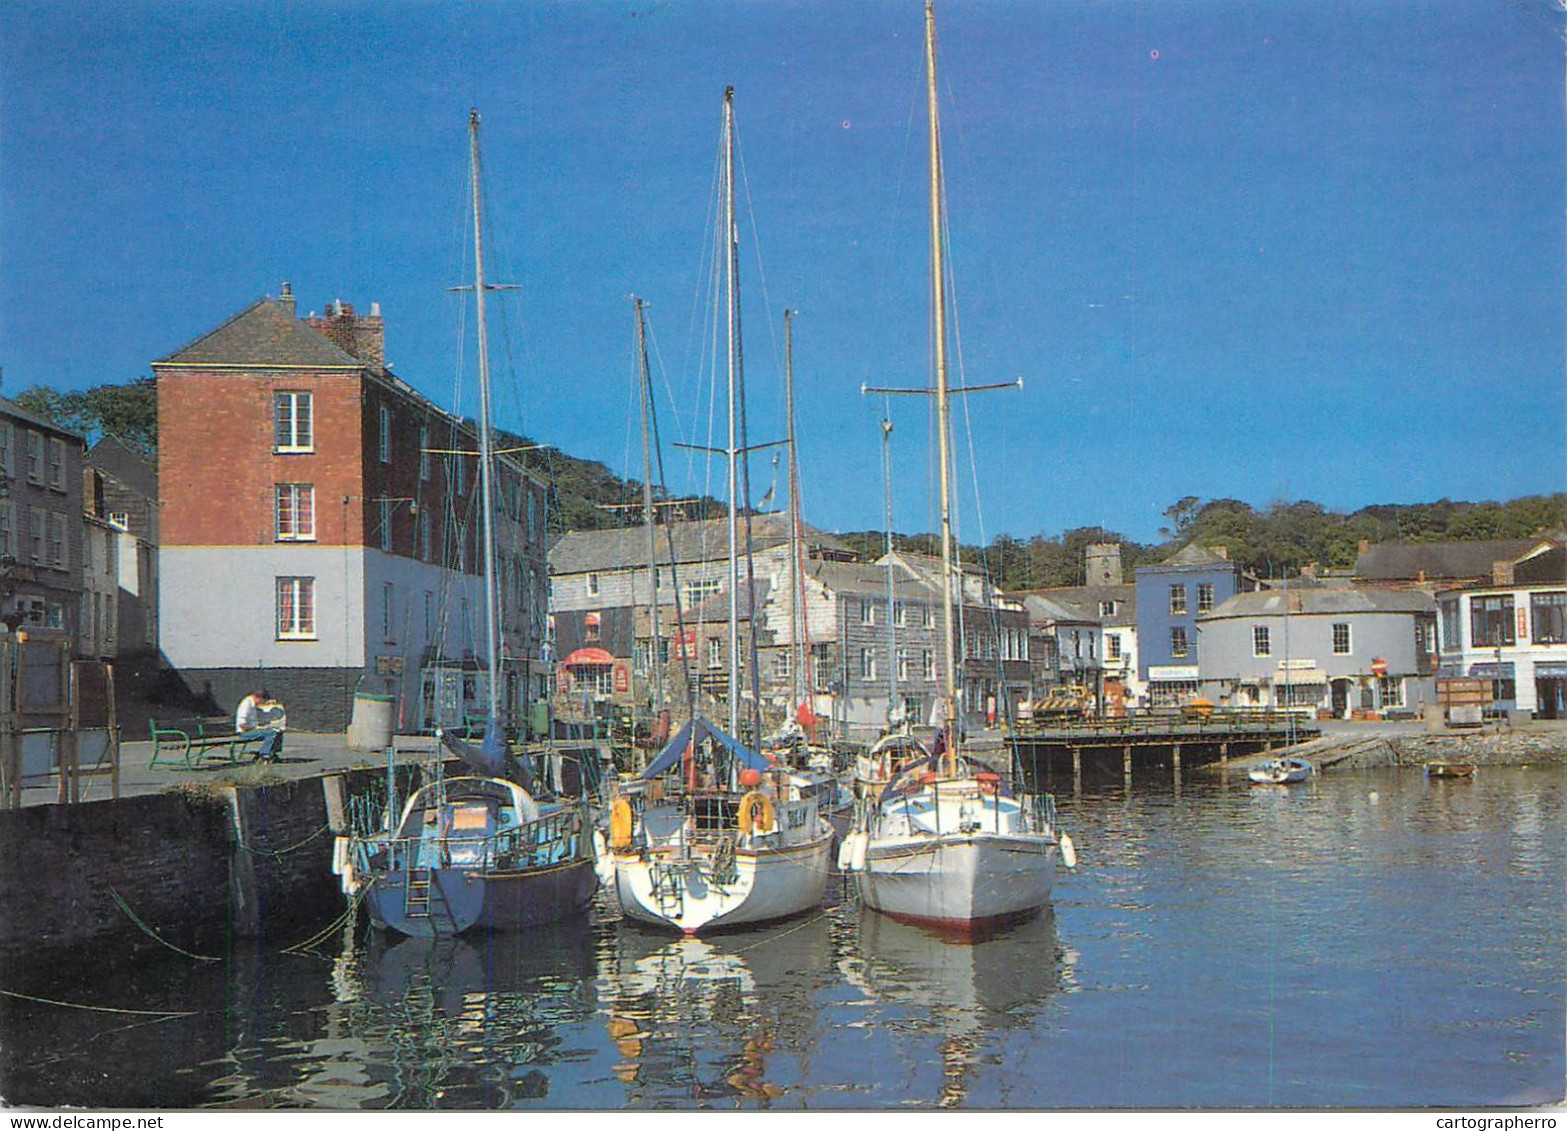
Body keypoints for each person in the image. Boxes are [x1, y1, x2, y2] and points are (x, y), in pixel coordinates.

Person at [236, 688, 286, 762]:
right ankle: (264, 754)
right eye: (262, 701)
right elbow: (241, 725)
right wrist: (256, 728)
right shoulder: (246, 706)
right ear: (258, 698)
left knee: (278, 731)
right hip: (244, 732)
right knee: (271, 732)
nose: (262, 703)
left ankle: (273, 753)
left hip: (253, 729)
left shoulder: (252, 702)